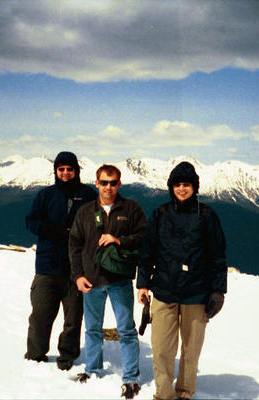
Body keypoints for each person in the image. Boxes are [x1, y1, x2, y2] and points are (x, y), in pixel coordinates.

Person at [136, 161, 227, 400]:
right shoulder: (161, 214)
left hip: (196, 294)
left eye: (187, 184)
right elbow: (147, 252)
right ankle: (164, 395)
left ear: (194, 187)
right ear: (171, 187)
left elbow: (218, 256)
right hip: (164, 290)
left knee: (191, 350)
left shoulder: (206, 215)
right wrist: (143, 284)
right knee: (161, 349)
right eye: (178, 184)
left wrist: (218, 291)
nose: (182, 189)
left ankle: (185, 393)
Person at [69, 164, 148, 399]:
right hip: (91, 280)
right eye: (104, 182)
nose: (108, 187)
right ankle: (92, 370)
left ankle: (131, 378)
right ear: (96, 183)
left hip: (119, 279)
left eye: (113, 183)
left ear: (119, 184)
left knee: (126, 330)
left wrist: (119, 240)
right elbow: (74, 245)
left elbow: (144, 237)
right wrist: (78, 276)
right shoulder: (85, 211)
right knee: (93, 328)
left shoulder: (131, 209)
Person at [24, 151, 96, 371]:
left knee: (73, 318)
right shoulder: (46, 195)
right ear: (56, 171)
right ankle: (35, 355)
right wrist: (49, 230)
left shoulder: (88, 194)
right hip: (47, 267)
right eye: (61, 169)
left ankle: (67, 357)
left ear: (76, 171)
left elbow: (97, 221)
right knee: (41, 316)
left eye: (69, 169)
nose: (65, 173)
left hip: (77, 270)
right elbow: (31, 221)